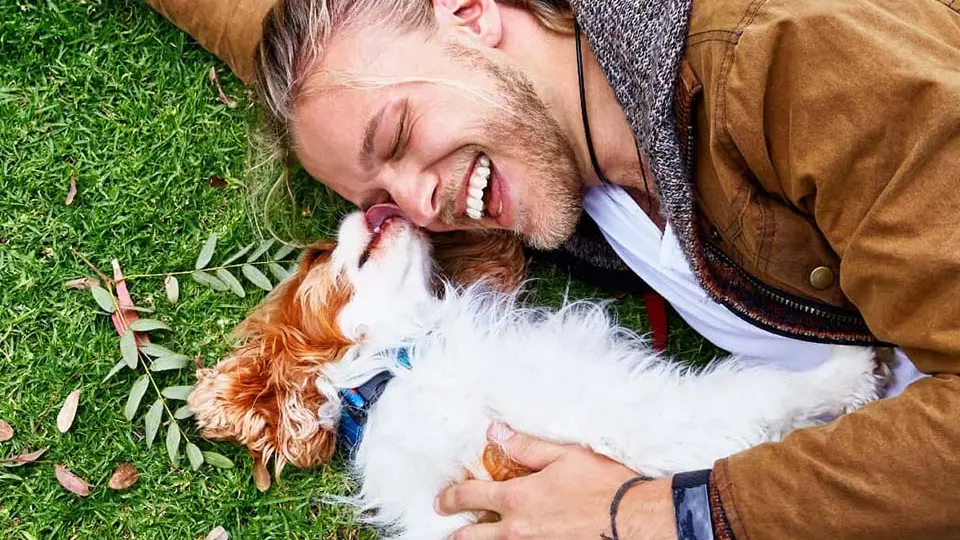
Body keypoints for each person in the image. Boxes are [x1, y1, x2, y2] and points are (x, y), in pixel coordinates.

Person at [147, 0, 960, 538]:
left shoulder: (792, 59)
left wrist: (649, 517)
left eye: (396, 138)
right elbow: (266, 29)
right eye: (382, 197)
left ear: (472, 13)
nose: (422, 207)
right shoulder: (539, 147)